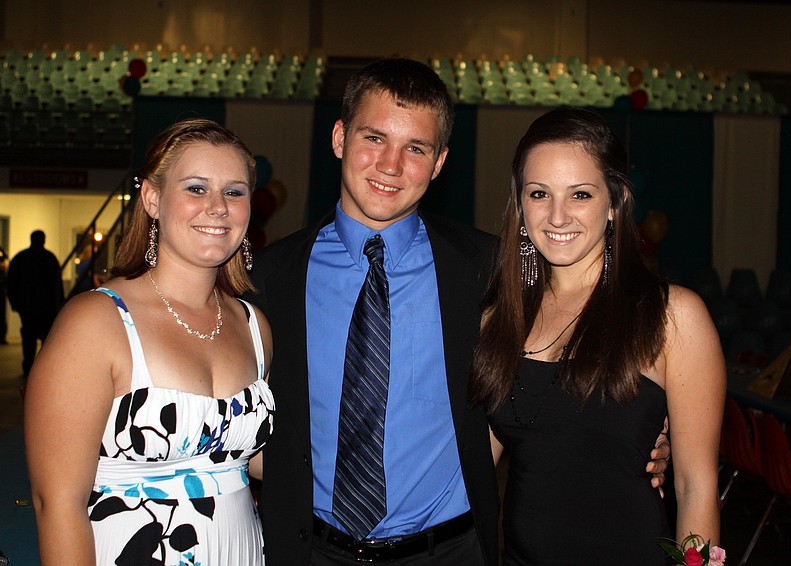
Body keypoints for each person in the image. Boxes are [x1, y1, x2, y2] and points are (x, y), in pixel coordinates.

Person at [248, 59, 670, 565]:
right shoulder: (268, 276)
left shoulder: (495, 270)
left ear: (441, 161)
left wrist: (642, 432)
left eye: (416, 149)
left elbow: (577, 342)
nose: (390, 164)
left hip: (452, 553)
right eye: (374, 138)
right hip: (311, 550)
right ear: (339, 138)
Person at [470, 106, 725, 564]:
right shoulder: (498, 319)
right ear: (520, 203)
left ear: (614, 202)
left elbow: (695, 487)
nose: (558, 215)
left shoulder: (673, 316)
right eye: (539, 193)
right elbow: (473, 467)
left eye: (581, 194)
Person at [25, 118, 275, 565]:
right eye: (196, 188)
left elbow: (246, 455)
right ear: (152, 198)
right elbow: (57, 505)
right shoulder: (96, 322)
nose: (218, 207)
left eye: (234, 192)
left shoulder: (254, 326)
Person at [6, 230, 63, 375]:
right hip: (46, 307)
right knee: (46, 338)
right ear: (43, 240)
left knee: (28, 337)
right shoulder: (49, 258)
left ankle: (28, 367)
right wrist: (59, 304)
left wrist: (15, 303)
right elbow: (57, 285)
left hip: (28, 307)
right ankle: (43, 368)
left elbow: (11, 283)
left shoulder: (21, 258)